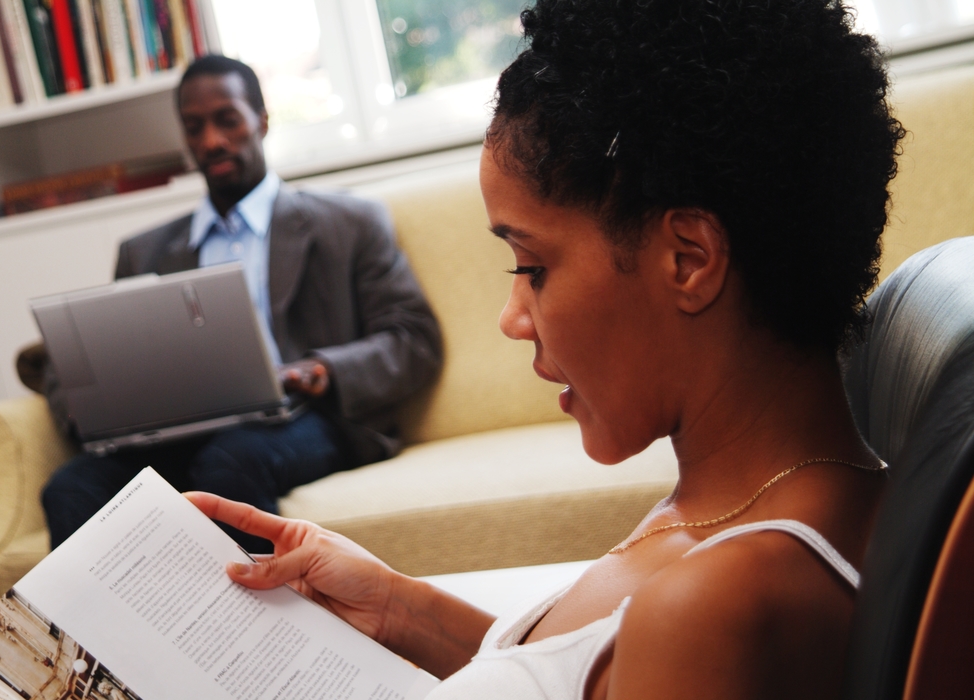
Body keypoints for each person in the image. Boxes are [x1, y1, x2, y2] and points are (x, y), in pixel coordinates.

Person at [187, 0, 905, 697]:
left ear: (688, 260)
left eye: (532, 267)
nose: (513, 317)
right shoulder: (772, 504)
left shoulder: (708, 605)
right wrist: (397, 608)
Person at [41, 55, 442, 553]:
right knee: (71, 486)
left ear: (262, 121)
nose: (211, 140)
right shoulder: (143, 252)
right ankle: (98, 634)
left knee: (229, 461)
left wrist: (320, 370)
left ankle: (261, 630)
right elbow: (83, 364)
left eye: (227, 119)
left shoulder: (348, 223)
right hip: (178, 433)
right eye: (194, 127)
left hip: (304, 419)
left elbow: (414, 339)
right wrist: (93, 409)